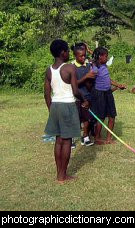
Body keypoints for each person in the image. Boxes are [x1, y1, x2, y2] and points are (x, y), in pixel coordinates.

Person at [44, 39, 89, 183]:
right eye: (67, 51)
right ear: (63, 52)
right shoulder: (69, 68)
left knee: (59, 141)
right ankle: (63, 176)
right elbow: (75, 91)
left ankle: (59, 174)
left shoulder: (49, 69)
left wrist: (51, 108)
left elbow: (46, 93)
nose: (69, 53)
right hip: (67, 106)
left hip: (55, 106)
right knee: (67, 141)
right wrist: (84, 100)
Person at [91, 47, 126, 144]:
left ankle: (109, 138)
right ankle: (97, 138)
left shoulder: (104, 66)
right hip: (99, 94)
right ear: (100, 57)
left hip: (108, 93)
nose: (107, 58)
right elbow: (90, 81)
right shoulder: (94, 68)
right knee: (101, 117)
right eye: (106, 56)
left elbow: (108, 80)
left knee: (112, 116)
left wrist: (118, 85)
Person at [71, 43, 97, 147]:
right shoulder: (71, 67)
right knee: (75, 118)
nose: (83, 58)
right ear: (75, 56)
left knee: (87, 118)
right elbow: (74, 84)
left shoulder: (88, 65)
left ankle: (85, 137)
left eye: (84, 55)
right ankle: (72, 139)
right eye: (81, 56)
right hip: (76, 97)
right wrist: (86, 77)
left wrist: (91, 78)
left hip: (87, 96)